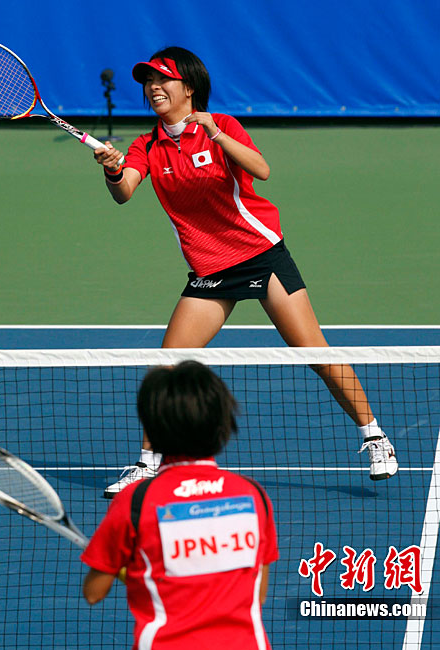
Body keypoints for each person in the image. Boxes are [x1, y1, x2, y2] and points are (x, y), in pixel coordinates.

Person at [94, 46, 398, 496]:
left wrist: (216, 134)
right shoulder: (147, 146)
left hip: (259, 254)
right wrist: (113, 170)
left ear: (188, 87)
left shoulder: (223, 125)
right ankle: (148, 463)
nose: (154, 88)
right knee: (167, 366)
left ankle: (375, 437)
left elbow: (262, 169)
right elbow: (125, 191)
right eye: (148, 81)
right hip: (210, 269)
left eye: (163, 79)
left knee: (314, 352)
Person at [81, 361, 279, 650]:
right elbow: (257, 594)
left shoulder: (137, 500)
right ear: (222, 422)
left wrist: (127, 569)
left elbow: (93, 592)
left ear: (152, 429)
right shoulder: (253, 496)